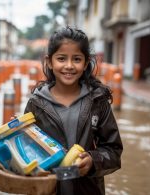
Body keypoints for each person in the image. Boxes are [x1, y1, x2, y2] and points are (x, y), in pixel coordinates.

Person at [24, 26, 123, 195]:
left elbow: (113, 150)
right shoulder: (36, 103)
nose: (69, 66)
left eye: (76, 59)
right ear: (49, 61)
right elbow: (26, 149)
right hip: (48, 189)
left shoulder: (98, 102)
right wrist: (16, 131)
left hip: (87, 190)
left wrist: (93, 160)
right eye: (61, 59)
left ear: (85, 63)